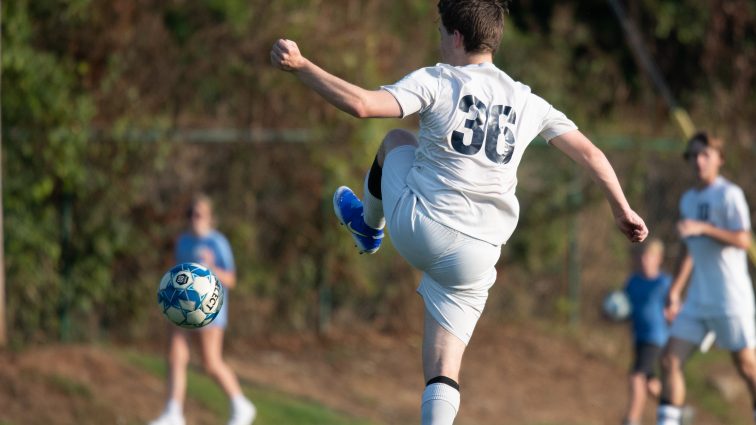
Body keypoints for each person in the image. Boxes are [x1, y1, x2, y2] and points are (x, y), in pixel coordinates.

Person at [271, 1, 648, 423]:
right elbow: (592, 154)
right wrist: (622, 209)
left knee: (395, 139)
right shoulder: (527, 100)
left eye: (439, 30)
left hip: (423, 226)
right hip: (480, 251)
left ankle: (366, 225)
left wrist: (302, 65)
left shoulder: (438, 79)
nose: (438, 39)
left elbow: (362, 104)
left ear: (455, 36)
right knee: (443, 371)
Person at [656, 132, 756, 425]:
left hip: (730, 298)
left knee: (747, 366)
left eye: (705, 155)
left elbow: (742, 239)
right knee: (669, 359)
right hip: (698, 298)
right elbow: (690, 249)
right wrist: (675, 291)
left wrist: (704, 228)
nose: (698, 161)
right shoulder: (688, 199)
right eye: (694, 155)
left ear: (719, 159)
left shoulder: (729, 194)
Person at [149, 194, 256, 425]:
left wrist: (212, 268)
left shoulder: (217, 243)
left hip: (210, 309)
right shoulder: (183, 242)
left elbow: (231, 279)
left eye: (199, 214)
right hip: (183, 305)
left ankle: (241, 405)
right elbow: (176, 272)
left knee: (210, 363)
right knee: (176, 353)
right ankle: (173, 412)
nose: (194, 219)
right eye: (190, 214)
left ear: (209, 218)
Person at [622, 238, 672, 425]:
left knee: (637, 377)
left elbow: (675, 308)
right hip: (639, 337)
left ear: (659, 258)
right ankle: (677, 410)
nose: (645, 260)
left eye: (649, 256)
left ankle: (632, 420)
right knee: (651, 384)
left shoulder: (665, 283)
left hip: (656, 338)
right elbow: (622, 306)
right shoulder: (633, 282)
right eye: (642, 255)